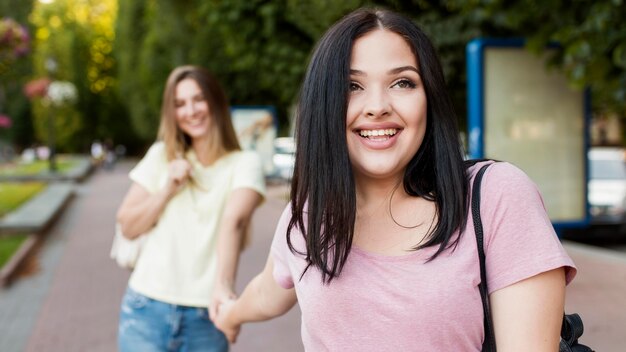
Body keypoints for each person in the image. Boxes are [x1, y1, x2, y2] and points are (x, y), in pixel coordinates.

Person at [214, 8, 577, 351]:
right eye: (352, 86)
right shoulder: (310, 213)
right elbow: (268, 290)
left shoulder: (495, 196)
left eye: (402, 83)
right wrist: (229, 313)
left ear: (429, 98)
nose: (377, 106)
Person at [116, 65, 265, 351]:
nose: (191, 111)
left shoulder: (244, 163)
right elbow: (128, 226)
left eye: (199, 99)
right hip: (145, 308)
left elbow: (233, 222)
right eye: (180, 104)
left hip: (205, 316)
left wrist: (223, 287)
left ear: (216, 101)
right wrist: (168, 188)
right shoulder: (162, 156)